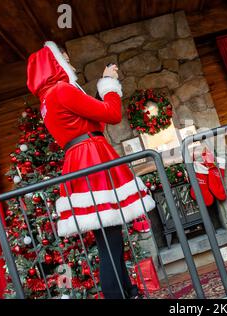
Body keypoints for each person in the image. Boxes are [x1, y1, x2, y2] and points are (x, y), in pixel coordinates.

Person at [26, 41, 156, 298]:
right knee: (110, 240)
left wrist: (100, 90)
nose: (71, 65)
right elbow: (112, 114)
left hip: (81, 158)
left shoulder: (48, 98)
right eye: (65, 59)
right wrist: (108, 85)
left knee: (109, 237)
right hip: (92, 158)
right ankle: (117, 294)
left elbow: (90, 119)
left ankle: (127, 290)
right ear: (55, 62)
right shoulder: (62, 90)